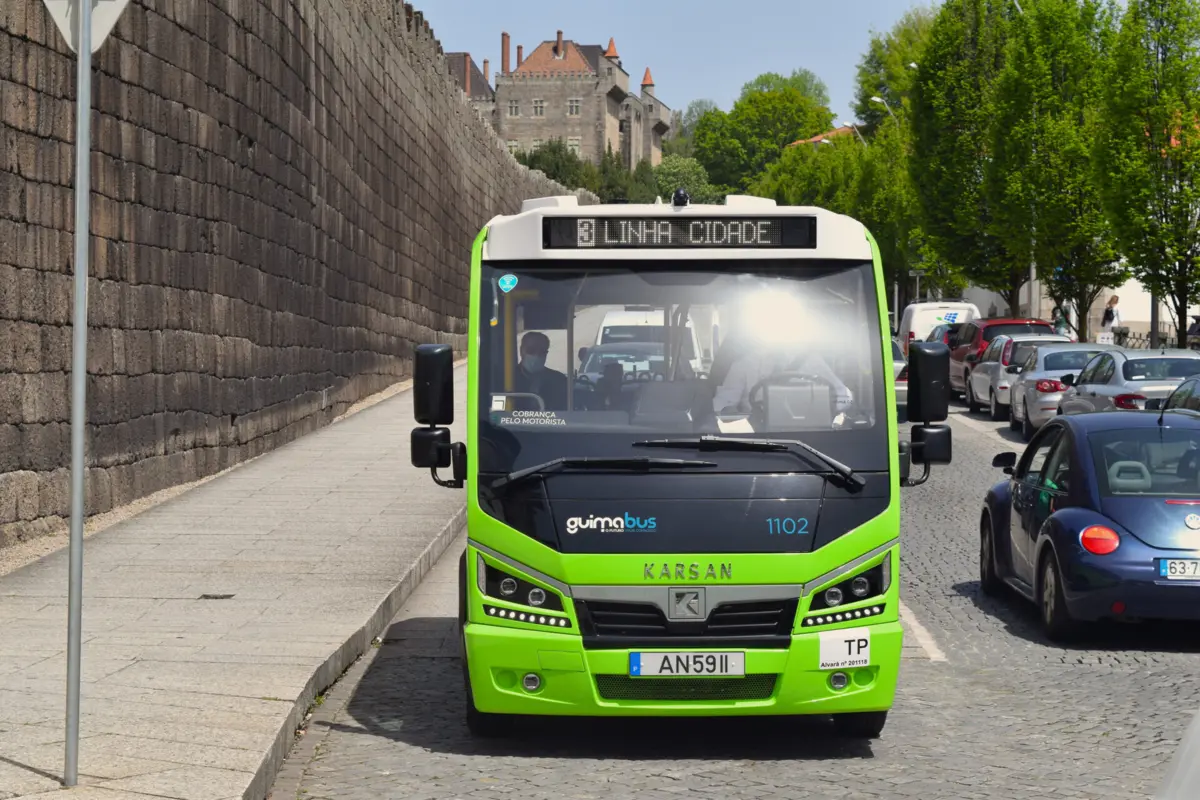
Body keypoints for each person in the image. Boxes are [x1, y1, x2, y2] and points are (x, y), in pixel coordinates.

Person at [713, 344, 853, 416]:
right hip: (758, 438)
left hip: (809, 437)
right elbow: (723, 402)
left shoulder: (811, 361)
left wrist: (831, 409)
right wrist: (728, 411)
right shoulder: (744, 364)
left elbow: (843, 396)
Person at [513, 331, 568, 411]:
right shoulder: (508, 378)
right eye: (531, 351)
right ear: (521, 351)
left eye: (542, 352)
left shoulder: (558, 380)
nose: (537, 355)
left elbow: (564, 412)